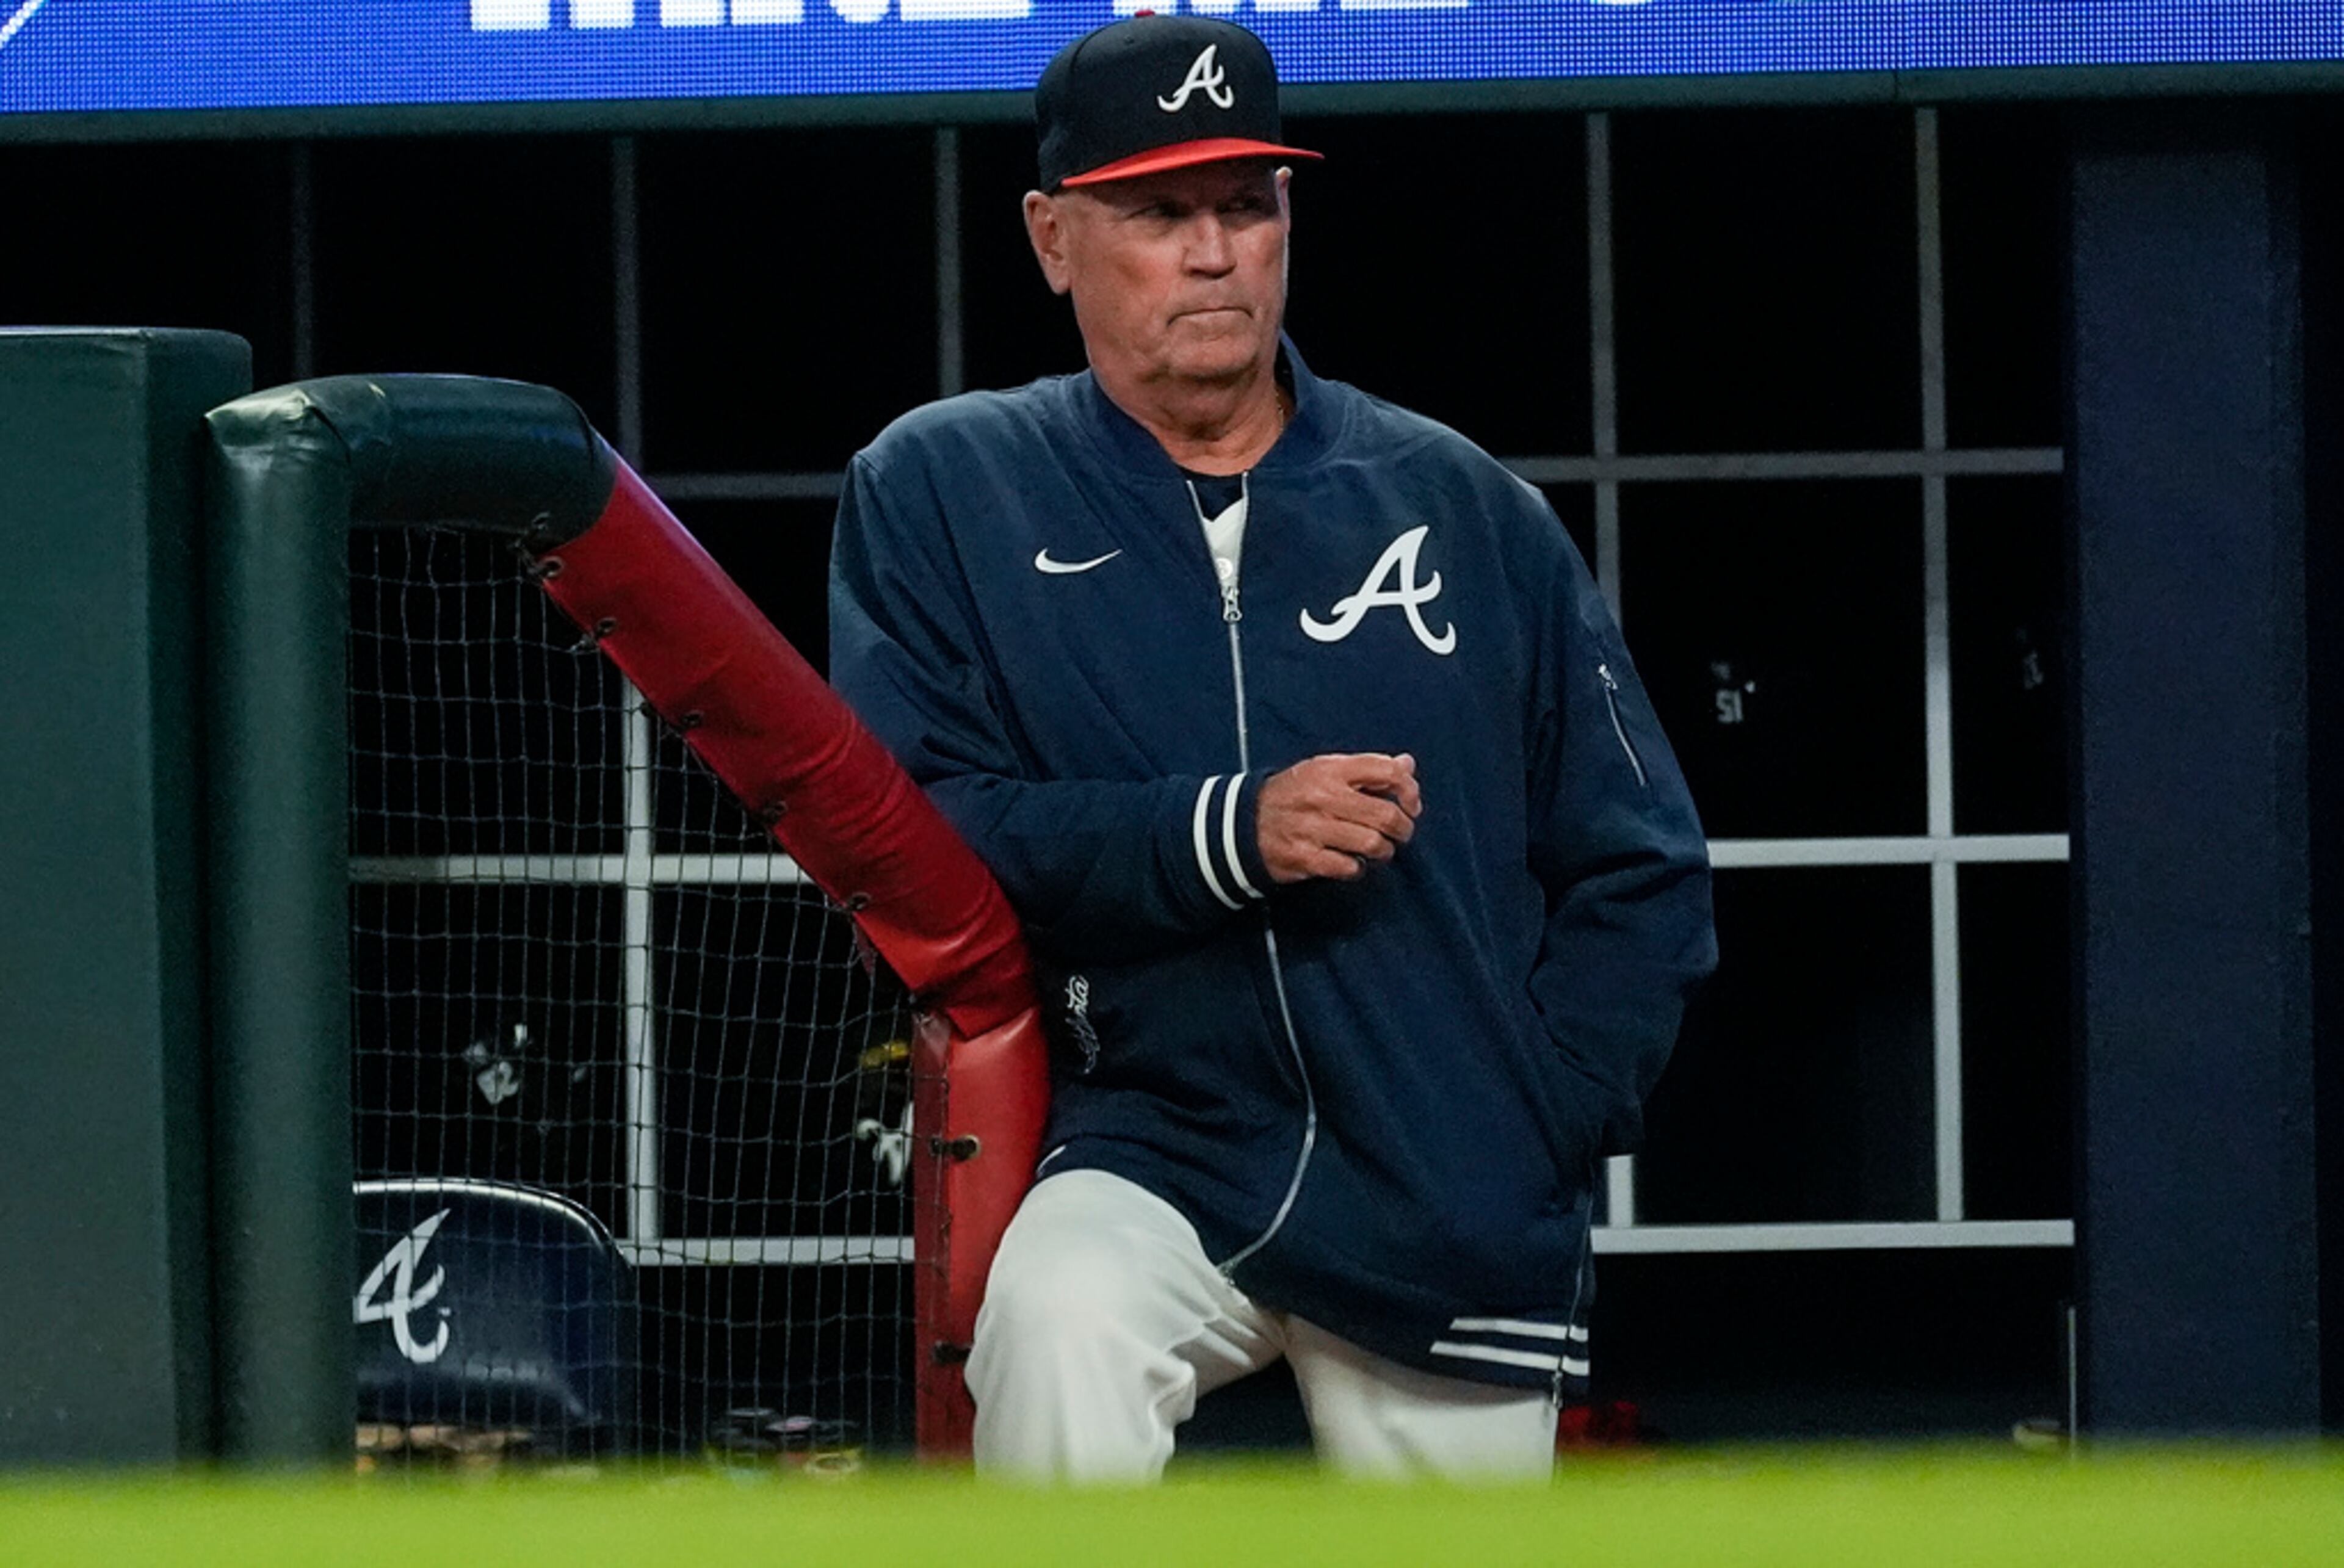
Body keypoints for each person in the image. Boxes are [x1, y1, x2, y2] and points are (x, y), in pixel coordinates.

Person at [828, 13, 1715, 1482]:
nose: (1214, 249)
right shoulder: (946, 487)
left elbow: (1643, 861)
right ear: (1055, 239)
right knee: (1055, 1324)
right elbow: (923, 826)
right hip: (1161, 1138)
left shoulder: (1463, 503)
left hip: (1446, 1168)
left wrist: (1543, 1115)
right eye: (1159, 211)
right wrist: (1224, 833)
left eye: (1247, 204)